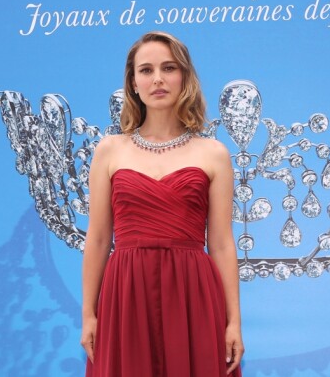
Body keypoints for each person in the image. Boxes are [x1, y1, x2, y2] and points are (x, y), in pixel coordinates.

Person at [81, 31, 244, 376]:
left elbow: (221, 243)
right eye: (146, 70)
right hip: (125, 292)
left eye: (168, 68)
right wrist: (89, 314)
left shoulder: (213, 154)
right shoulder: (109, 150)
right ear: (133, 83)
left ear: (184, 76)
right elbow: (97, 239)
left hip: (193, 292)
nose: (157, 79)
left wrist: (233, 322)